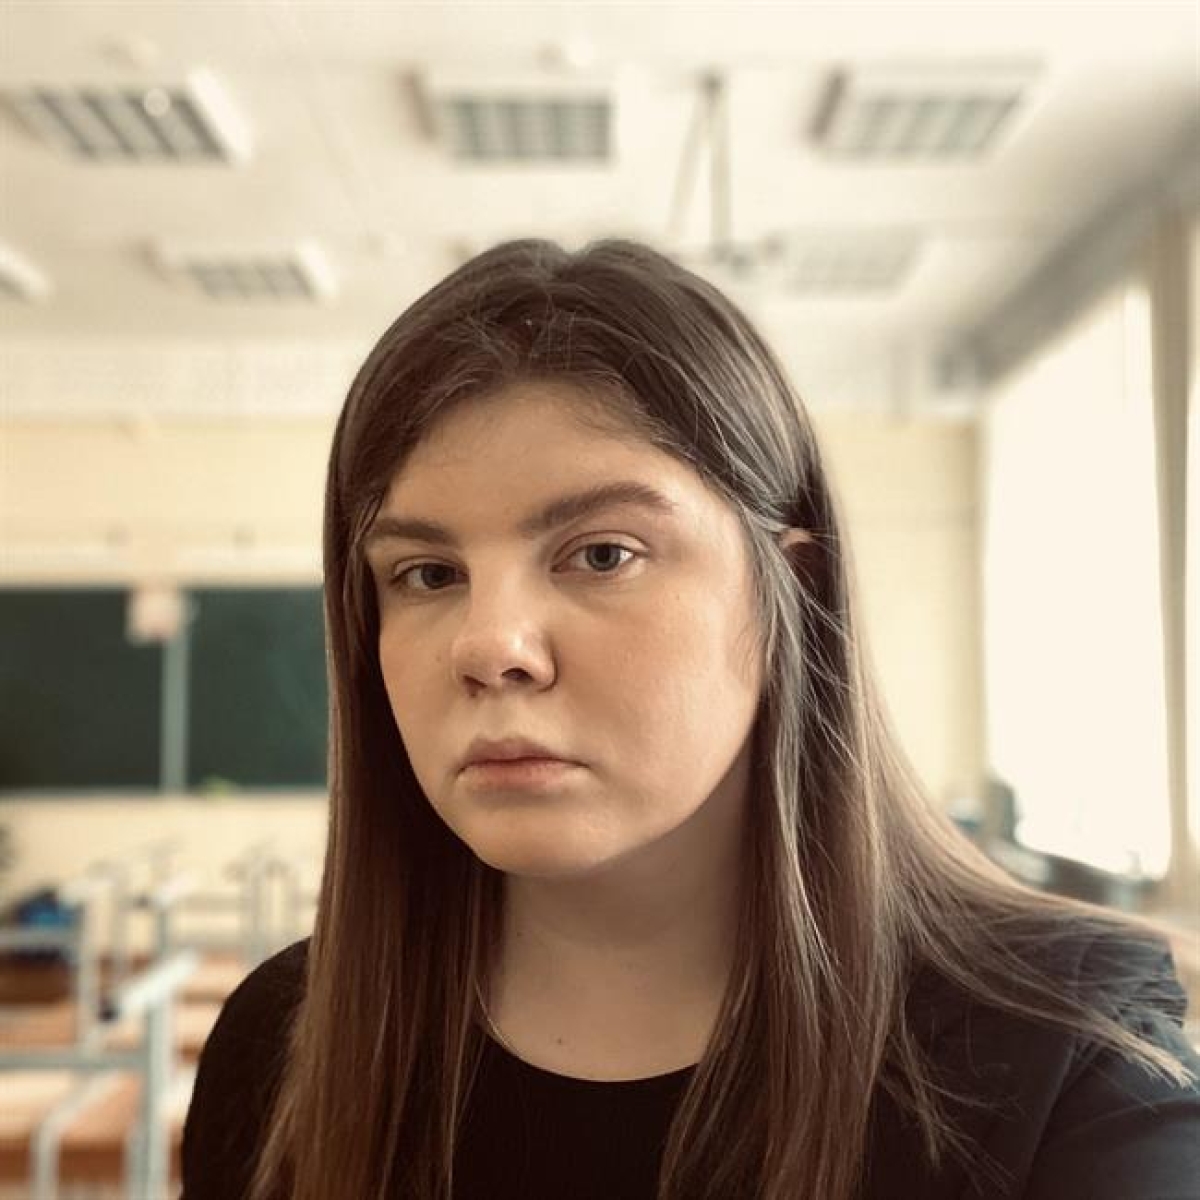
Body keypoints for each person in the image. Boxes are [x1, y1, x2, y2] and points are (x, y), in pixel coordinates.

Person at [180, 239, 1200, 1200]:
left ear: (792, 591)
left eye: (602, 554)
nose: (489, 646)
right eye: (428, 574)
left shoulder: (1070, 1052)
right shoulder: (284, 1047)